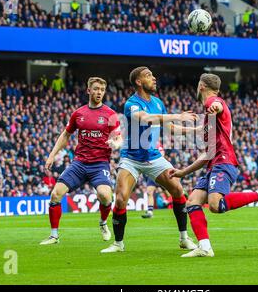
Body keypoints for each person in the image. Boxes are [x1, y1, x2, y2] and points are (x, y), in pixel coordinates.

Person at [169, 73, 258, 257]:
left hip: (224, 161)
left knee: (215, 205)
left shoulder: (213, 103)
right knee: (192, 202)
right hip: (213, 164)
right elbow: (205, 149)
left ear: (201, 86)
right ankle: (205, 247)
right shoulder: (209, 120)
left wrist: (215, 107)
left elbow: (218, 105)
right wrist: (182, 171)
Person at [100, 66, 198, 253]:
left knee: (178, 189)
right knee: (120, 199)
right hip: (131, 158)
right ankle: (118, 244)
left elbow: (168, 128)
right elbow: (145, 119)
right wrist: (179, 115)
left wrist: (194, 130)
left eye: (153, 75)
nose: (153, 78)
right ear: (138, 81)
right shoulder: (132, 103)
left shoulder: (158, 103)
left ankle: (184, 238)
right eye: (148, 76)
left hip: (153, 157)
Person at [40, 77, 123, 245]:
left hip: (100, 164)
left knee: (105, 196)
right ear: (89, 91)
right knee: (55, 194)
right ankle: (54, 236)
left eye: (101, 89)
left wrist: (115, 143)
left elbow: (119, 138)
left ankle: (102, 222)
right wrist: (51, 155)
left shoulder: (110, 114)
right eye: (96, 89)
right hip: (79, 163)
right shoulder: (78, 113)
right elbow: (65, 135)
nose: (99, 92)